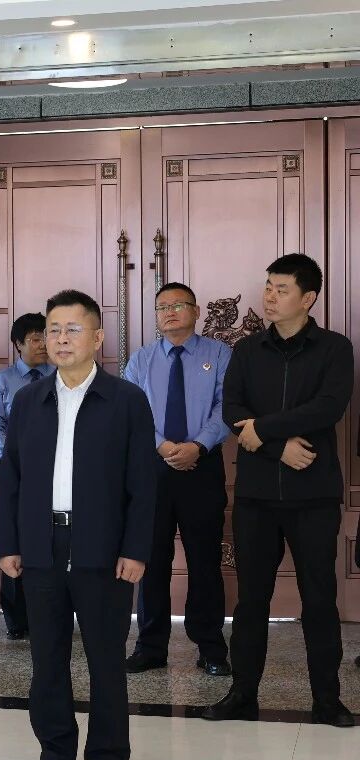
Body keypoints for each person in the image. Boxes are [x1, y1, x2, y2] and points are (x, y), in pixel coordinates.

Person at [0, 289, 156, 760]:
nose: (61, 339)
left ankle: (107, 759)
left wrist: (136, 549)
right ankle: (55, 755)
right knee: (47, 658)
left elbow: (142, 484)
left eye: (73, 329)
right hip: (41, 544)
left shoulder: (126, 400)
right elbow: (12, 479)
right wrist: (9, 543)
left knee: (106, 659)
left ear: (98, 337)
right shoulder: (29, 401)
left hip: (103, 547)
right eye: (53, 330)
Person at [202, 254, 356, 728]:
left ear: (308, 298)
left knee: (319, 598)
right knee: (252, 600)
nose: (269, 296)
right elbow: (232, 410)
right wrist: (277, 447)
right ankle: (242, 694)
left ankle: (327, 699)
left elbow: (328, 407)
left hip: (314, 494)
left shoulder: (334, 348)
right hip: (257, 496)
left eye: (281, 289)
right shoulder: (248, 350)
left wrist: (265, 431)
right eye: (268, 286)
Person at [122, 283, 233, 676]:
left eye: (178, 305)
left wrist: (197, 446)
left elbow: (227, 405)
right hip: (152, 468)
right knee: (151, 559)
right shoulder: (141, 360)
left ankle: (210, 647)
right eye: (162, 307)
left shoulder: (219, 354)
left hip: (203, 466)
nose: (169, 312)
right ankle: (151, 645)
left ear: (196, 311)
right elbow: (131, 411)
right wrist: (163, 446)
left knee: (205, 560)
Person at [0, 312, 53, 640]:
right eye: (35, 339)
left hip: (56, 470)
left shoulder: (61, 376)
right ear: (18, 344)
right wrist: (14, 460)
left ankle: (53, 611)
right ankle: (17, 618)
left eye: (45, 337)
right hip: (15, 469)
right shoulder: (1, 381)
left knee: (53, 537)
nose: (43, 345)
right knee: (15, 537)